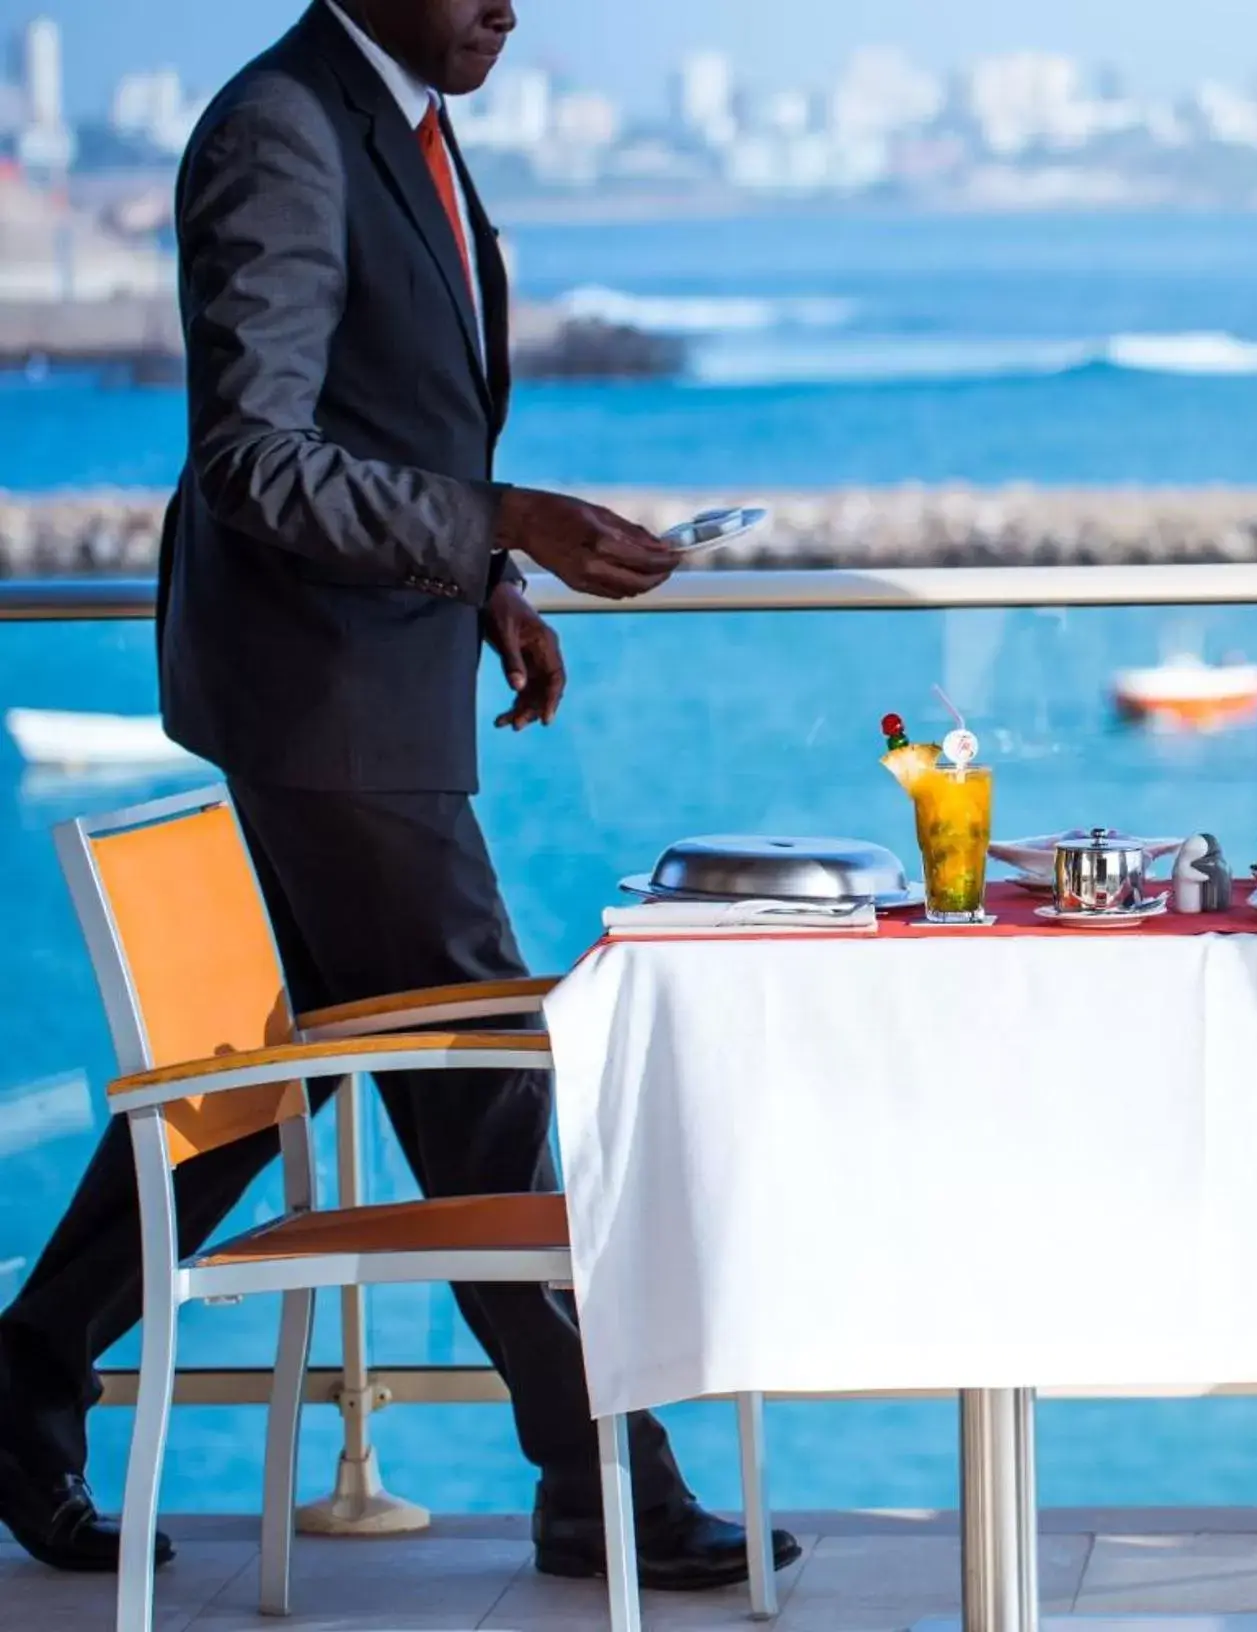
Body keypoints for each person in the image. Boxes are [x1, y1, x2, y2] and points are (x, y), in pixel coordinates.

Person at [0, 0, 801, 1592]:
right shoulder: (280, 129)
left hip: (372, 682)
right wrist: (499, 516)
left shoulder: (399, 121)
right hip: (325, 710)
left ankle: (24, 1375)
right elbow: (254, 457)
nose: (508, 4)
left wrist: (488, 574)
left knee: (273, 1073)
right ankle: (601, 1477)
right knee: (488, 1066)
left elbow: (384, 420)